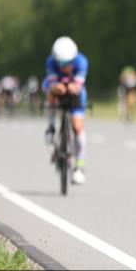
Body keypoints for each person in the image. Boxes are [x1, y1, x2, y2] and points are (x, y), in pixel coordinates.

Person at [44, 36, 89, 185]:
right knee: (50, 91)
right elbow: (52, 83)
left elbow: (78, 85)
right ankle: (50, 126)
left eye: (69, 63)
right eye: (62, 63)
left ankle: (79, 167)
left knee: (77, 127)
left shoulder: (82, 62)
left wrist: (73, 87)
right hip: (58, 88)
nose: (66, 67)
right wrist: (57, 88)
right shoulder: (51, 62)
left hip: (76, 92)